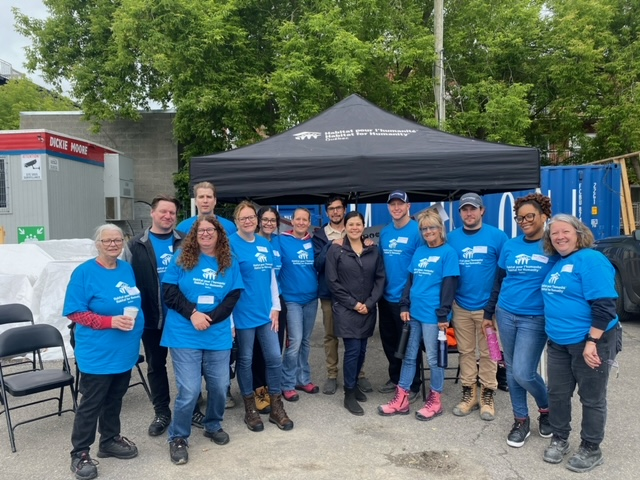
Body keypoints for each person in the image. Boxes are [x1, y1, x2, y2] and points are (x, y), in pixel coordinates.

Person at [540, 214, 620, 473]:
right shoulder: (559, 262)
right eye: (554, 234)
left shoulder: (591, 259)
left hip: (591, 341)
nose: (560, 237)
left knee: (592, 397)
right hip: (559, 342)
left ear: (578, 233)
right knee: (557, 394)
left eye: (565, 232)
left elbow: (605, 305)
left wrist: (591, 342)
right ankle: (560, 438)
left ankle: (591, 447)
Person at [161, 215, 243, 465]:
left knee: (219, 387)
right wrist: (194, 314)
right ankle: (178, 436)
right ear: (194, 235)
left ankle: (213, 424)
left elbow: (233, 295)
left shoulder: (229, 261)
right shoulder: (181, 258)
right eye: (201, 230)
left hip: (216, 334)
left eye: (211, 230)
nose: (206, 234)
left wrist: (211, 318)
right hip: (184, 333)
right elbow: (169, 292)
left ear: (219, 234)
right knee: (189, 390)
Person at [63, 224, 143, 481]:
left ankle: (109, 440)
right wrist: (110, 322)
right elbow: (75, 312)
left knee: (115, 398)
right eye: (107, 240)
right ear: (97, 244)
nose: (113, 244)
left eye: (118, 240)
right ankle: (80, 453)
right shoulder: (84, 273)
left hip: (124, 350)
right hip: (97, 352)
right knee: (91, 403)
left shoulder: (126, 268)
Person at [124, 195, 206, 437]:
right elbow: (125, 280)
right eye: (163, 212)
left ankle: (191, 410)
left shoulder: (188, 242)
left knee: (191, 365)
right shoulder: (135, 245)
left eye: (172, 213)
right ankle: (161, 412)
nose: (168, 216)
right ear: (152, 213)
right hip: (152, 318)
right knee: (156, 366)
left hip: (183, 317)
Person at [482, 193, 557, 447]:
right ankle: (521, 420)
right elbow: (498, 280)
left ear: (544, 216)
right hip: (506, 313)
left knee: (524, 372)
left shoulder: (553, 247)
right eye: (519, 217)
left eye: (529, 216)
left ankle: (547, 409)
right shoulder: (511, 246)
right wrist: (488, 313)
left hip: (535, 318)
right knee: (513, 370)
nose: (523, 221)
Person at [378, 209, 459, 419]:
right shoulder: (420, 251)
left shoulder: (448, 253)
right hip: (414, 314)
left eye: (432, 227)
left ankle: (435, 401)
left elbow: (449, 286)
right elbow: (410, 281)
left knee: (434, 359)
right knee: (408, 356)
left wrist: (443, 315)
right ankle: (402, 398)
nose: (428, 231)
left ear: (440, 229)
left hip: (434, 317)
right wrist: (404, 305)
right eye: (424, 228)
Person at [229, 201, 294, 431]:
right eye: (243, 218)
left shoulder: (264, 244)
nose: (248, 221)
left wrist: (276, 307)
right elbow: (228, 284)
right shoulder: (230, 245)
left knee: (274, 358)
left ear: (256, 221)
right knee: (245, 361)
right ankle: (250, 409)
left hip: (266, 314)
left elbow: (271, 279)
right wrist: (230, 320)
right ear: (237, 221)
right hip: (242, 315)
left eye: (251, 217)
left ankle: (276, 407)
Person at [176, 181, 237, 410]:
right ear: (196, 200)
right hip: (193, 298)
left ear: (215, 200)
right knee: (193, 350)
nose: (205, 200)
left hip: (220, 294)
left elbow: (231, 259)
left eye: (209, 196)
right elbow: (181, 261)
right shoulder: (184, 225)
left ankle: (224, 390)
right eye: (201, 197)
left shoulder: (228, 226)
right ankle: (196, 395)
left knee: (223, 347)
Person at [448, 192, 508, 421]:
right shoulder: (452, 238)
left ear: (482, 210)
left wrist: (495, 305)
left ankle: (487, 396)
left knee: (490, 353)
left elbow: (504, 273)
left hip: (488, 311)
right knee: (465, 352)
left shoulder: (497, 237)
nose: (469, 213)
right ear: (460, 212)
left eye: (473, 208)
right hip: (461, 306)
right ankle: (469, 394)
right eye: (465, 209)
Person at [325, 211, 386, 415]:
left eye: (358, 224)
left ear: (363, 226)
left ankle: (355, 386)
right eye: (350, 224)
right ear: (345, 226)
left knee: (362, 349)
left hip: (368, 308)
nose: (354, 228)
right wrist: (354, 304)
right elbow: (332, 282)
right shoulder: (336, 250)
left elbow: (380, 278)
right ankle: (348, 393)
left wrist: (369, 303)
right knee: (352, 350)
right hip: (346, 308)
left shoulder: (373, 250)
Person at [313, 195, 372, 396]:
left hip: (356, 296)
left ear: (344, 209)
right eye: (331, 209)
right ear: (326, 212)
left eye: (338, 208)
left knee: (358, 336)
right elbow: (318, 265)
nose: (335, 212)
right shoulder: (320, 235)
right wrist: (332, 245)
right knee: (330, 335)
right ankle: (332, 374)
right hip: (330, 294)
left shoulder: (355, 230)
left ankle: (359, 374)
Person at [377, 191, 423, 403]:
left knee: (409, 344)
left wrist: (409, 297)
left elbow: (421, 267)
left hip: (407, 300)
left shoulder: (417, 231)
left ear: (408, 206)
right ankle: (395, 379)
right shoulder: (385, 233)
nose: (396, 208)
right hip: (386, 298)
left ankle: (413, 384)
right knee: (390, 341)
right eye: (392, 204)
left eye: (400, 204)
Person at [279, 207, 320, 401]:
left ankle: (303, 379)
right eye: (298, 219)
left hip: (311, 298)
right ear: (292, 221)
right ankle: (286, 383)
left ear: (309, 221)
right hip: (291, 299)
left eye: (305, 219)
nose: (301, 222)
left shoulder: (314, 241)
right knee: (294, 342)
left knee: (305, 341)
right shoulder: (281, 240)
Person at [251, 206, 287, 413]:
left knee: (275, 347)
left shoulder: (279, 242)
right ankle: (259, 389)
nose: (268, 223)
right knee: (256, 347)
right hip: (255, 300)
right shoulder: (250, 241)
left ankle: (273, 387)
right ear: (258, 221)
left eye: (272, 220)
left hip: (276, 300)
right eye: (265, 219)